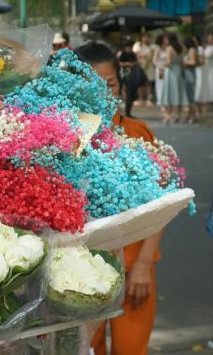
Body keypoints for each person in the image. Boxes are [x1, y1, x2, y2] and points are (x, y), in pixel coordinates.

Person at [76, 43, 164, 355]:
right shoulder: (67, 138)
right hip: (80, 271)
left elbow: (159, 205)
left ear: (120, 84)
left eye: (110, 84)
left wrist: (142, 266)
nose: (103, 92)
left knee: (131, 349)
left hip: (134, 266)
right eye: (92, 84)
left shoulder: (138, 133)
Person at [157, 32, 187, 123]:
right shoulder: (180, 48)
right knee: (178, 92)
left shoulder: (169, 48)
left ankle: (169, 115)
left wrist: (161, 64)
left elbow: (169, 62)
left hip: (170, 72)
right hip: (178, 71)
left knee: (169, 93)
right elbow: (182, 63)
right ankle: (179, 114)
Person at [117, 41, 143, 118]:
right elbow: (119, 63)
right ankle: (127, 112)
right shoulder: (123, 54)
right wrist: (128, 64)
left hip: (133, 76)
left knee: (132, 95)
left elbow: (136, 62)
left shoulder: (132, 54)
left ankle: (129, 112)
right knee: (128, 94)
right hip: (126, 75)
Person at [196, 33, 213, 107]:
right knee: (209, 83)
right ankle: (210, 100)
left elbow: (207, 55)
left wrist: (200, 53)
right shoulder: (208, 47)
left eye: (210, 38)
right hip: (207, 68)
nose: (209, 39)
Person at [182, 37, 202, 123]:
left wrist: (184, 62)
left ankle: (193, 115)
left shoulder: (191, 50)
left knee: (191, 95)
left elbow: (193, 62)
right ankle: (190, 113)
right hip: (188, 73)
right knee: (189, 94)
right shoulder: (192, 50)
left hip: (190, 73)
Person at [134, 33, 157, 106]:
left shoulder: (151, 46)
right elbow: (136, 54)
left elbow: (152, 55)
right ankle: (140, 99)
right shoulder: (138, 45)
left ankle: (148, 99)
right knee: (140, 83)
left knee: (148, 82)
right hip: (141, 65)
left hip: (149, 66)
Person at [152, 33, 167, 105]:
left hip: (167, 69)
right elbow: (154, 61)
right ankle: (161, 101)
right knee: (160, 85)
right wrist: (160, 67)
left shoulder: (169, 48)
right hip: (160, 68)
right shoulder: (158, 49)